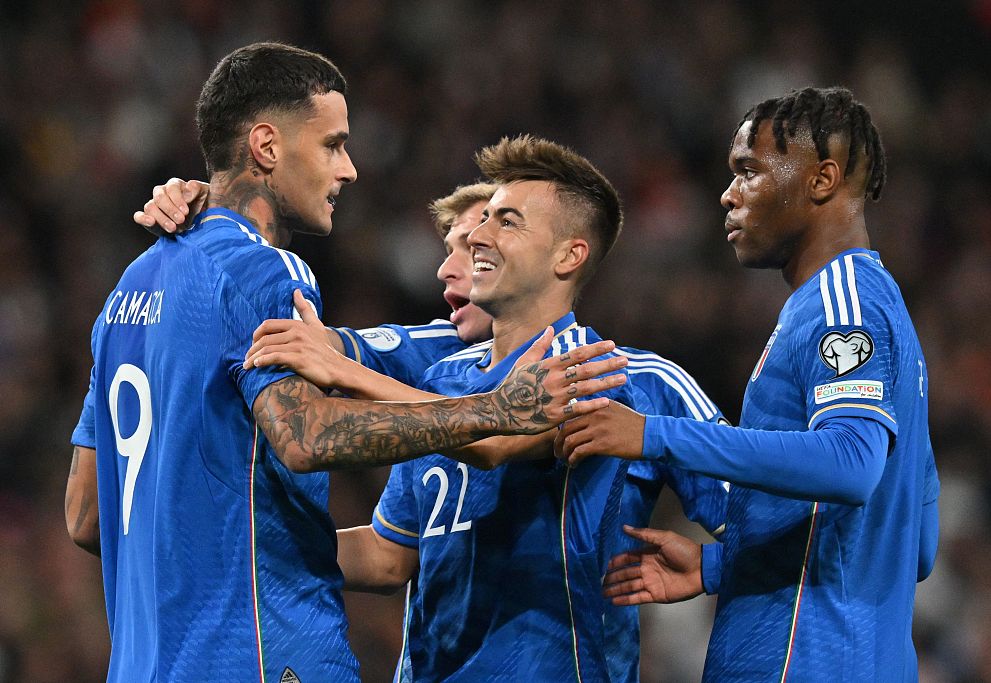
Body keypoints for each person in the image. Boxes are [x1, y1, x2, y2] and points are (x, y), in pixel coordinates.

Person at [64, 44, 620, 683]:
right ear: (268, 147)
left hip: (143, 662)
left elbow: (86, 515)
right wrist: (495, 410)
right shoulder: (267, 268)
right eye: (332, 144)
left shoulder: (128, 292)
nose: (349, 169)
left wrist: (209, 544)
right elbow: (306, 437)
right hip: (265, 651)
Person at [138, 176, 729, 682]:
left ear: (568, 255)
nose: (475, 241)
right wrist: (236, 553)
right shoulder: (442, 380)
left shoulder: (623, 376)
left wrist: (713, 568)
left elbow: (496, 440)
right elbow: (389, 554)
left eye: (506, 222)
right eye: (479, 226)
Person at [559, 87, 940, 680]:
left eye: (749, 171)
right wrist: (717, 568)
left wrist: (654, 435)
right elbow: (918, 545)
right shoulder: (887, 321)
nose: (728, 194)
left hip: (800, 661)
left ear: (821, 180)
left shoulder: (842, 303)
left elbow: (849, 463)